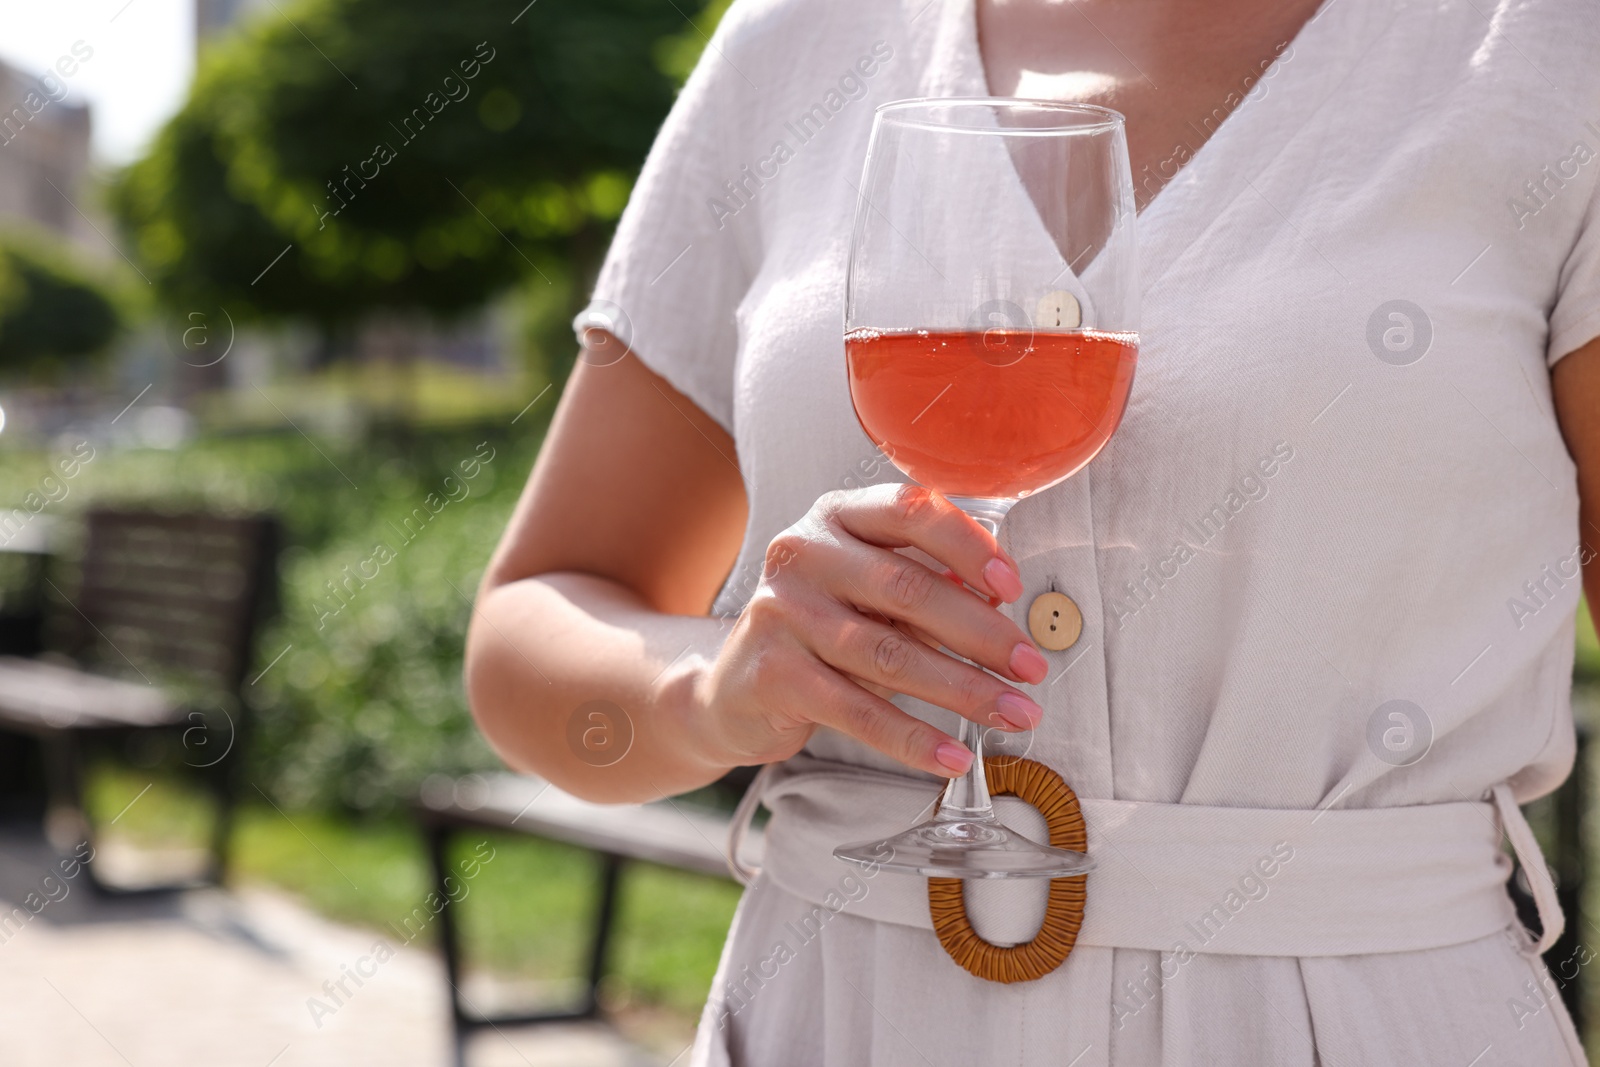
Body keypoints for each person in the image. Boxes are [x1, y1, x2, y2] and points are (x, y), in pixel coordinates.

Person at [465, 0, 1600, 1061]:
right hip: (838, 1010)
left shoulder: (1547, 51)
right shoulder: (801, 39)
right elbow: (534, 622)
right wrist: (711, 689)